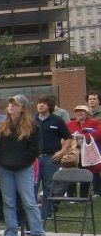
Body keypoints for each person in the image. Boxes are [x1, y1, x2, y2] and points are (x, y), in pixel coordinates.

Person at [0, 95, 49, 236]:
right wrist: (3, 161)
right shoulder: (0, 126)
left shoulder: (33, 126)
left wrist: (22, 162)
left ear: (22, 108)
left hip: (23, 168)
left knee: (29, 201)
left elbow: (35, 149)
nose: (12, 106)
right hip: (5, 168)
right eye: (10, 103)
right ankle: (10, 233)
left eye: (16, 104)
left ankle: (38, 234)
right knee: (8, 202)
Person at [34, 95, 72, 223]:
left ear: (50, 106)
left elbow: (68, 137)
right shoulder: (32, 121)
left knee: (48, 187)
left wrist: (62, 152)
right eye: (39, 103)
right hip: (34, 159)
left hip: (51, 159)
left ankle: (46, 214)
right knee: (32, 186)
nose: (41, 105)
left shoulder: (57, 120)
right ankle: (32, 216)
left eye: (44, 103)